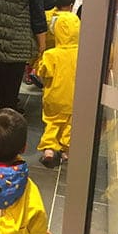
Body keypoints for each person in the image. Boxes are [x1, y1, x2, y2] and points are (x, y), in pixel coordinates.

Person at [37, 12, 80, 168]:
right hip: (74, 97)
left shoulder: (51, 54)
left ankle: (49, 148)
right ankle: (66, 149)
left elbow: (43, 72)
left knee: (52, 122)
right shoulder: (82, 53)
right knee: (69, 123)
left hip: (54, 96)